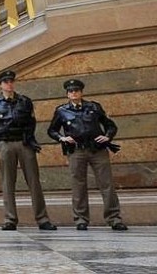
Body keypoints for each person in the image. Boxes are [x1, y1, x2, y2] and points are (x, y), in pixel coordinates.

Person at [47, 79, 128, 231]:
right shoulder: (61, 111)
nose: (74, 93)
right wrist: (62, 138)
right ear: (67, 94)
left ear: (81, 92)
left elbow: (110, 125)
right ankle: (81, 220)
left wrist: (108, 136)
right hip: (76, 151)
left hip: (97, 150)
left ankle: (114, 218)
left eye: (76, 90)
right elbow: (52, 130)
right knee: (78, 185)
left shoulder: (94, 107)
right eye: (71, 91)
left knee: (106, 184)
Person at [0, 69, 56, 231]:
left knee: (34, 182)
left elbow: (32, 123)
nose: (9, 84)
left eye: (11, 81)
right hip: (5, 144)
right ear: (0, 85)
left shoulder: (25, 101)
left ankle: (42, 219)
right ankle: (10, 219)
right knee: (7, 182)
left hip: (25, 143)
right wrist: (0, 140)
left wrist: (29, 139)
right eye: (6, 82)